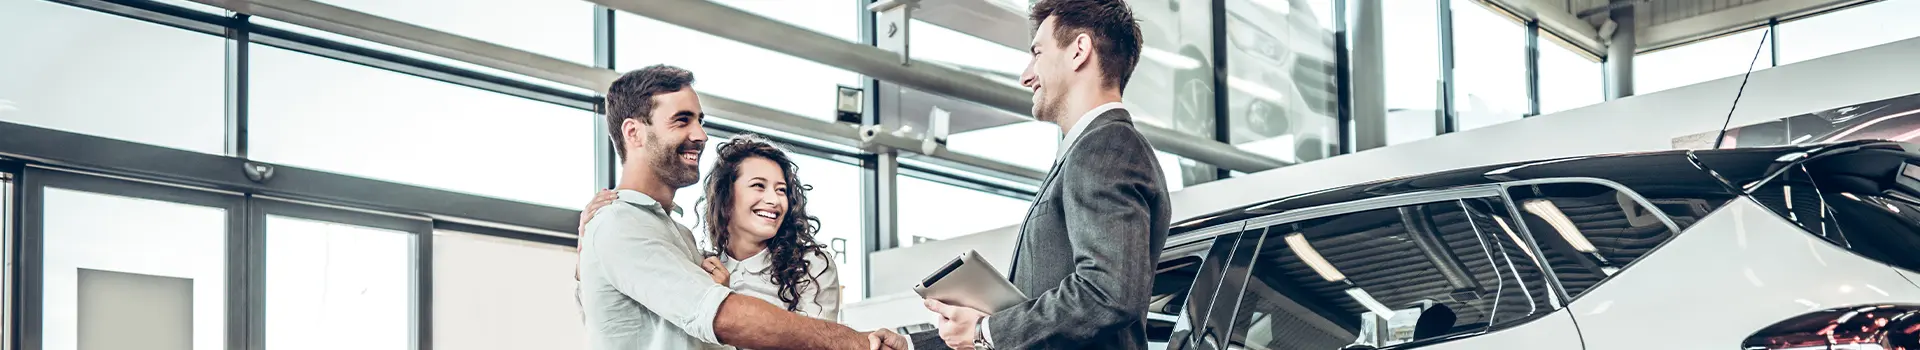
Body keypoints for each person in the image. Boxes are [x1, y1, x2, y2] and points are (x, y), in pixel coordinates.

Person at [875, 0, 1173, 349]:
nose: (1026, 75)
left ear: (1079, 51)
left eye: (1037, 53)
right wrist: (916, 345)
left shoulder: (1106, 147)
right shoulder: (1094, 150)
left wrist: (986, 331)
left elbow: (1107, 293)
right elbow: (1040, 314)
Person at [575, 64, 895, 350]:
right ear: (634, 133)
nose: (700, 135)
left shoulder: (680, 237)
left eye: (700, 121)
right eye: (682, 121)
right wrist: (852, 341)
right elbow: (723, 316)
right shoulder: (619, 223)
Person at [583, 134, 844, 323]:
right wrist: (587, 241)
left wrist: (725, 302)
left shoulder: (809, 266)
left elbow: (815, 342)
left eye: (781, 190)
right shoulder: (700, 265)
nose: (774, 200)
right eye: (758, 186)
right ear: (726, 198)